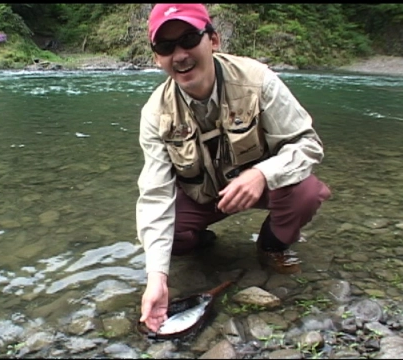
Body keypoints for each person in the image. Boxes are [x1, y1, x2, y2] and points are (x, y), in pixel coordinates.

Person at [136, 3, 332, 332]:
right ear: (157, 57)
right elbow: (155, 195)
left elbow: (309, 145)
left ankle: (271, 245)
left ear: (213, 40)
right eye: (166, 47)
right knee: (159, 237)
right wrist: (157, 279)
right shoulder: (155, 114)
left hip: (262, 186)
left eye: (188, 39)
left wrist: (262, 174)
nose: (180, 54)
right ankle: (203, 243)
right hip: (204, 197)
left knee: (307, 192)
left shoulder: (258, 81)